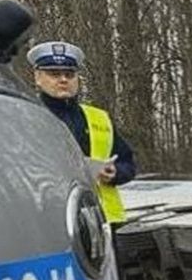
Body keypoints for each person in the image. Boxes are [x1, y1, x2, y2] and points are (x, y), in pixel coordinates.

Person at [26, 41, 135, 223]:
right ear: (38, 78)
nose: (63, 80)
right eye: (54, 74)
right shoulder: (25, 117)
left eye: (69, 74)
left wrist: (114, 172)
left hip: (103, 221)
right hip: (48, 222)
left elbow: (128, 163)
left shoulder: (99, 118)